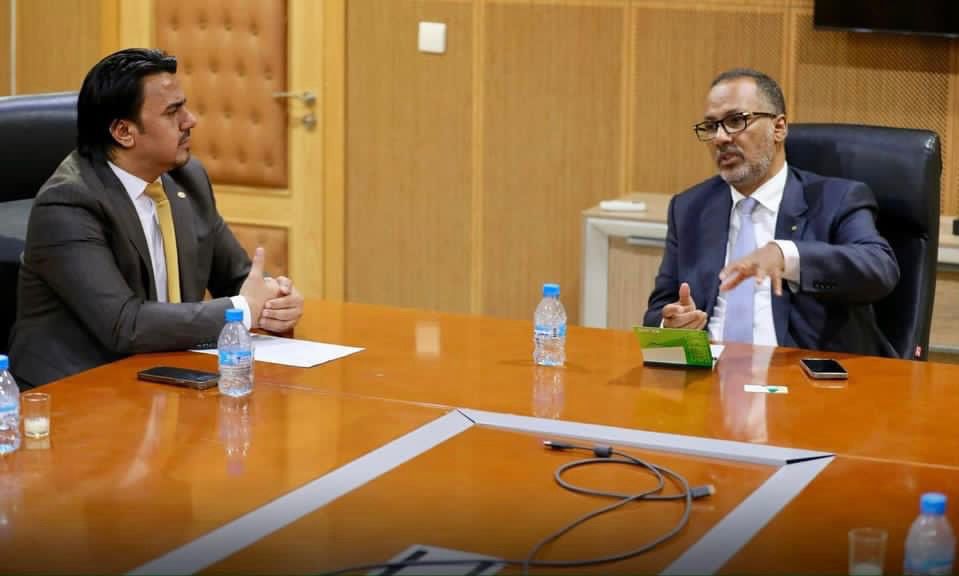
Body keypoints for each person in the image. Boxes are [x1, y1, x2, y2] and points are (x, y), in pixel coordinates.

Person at [10, 48, 304, 388]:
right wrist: (245, 308)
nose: (190, 121)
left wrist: (274, 299)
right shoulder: (68, 203)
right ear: (124, 131)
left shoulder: (187, 179)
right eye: (172, 112)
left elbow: (236, 276)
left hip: (162, 373)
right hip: (76, 388)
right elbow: (125, 324)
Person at [643, 68, 899, 357]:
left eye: (736, 121)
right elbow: (659, 310)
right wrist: (671, 324)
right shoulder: (690, 208)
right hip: (709, 371)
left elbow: (880, 269)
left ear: (779, 128)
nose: (720, 138)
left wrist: (785, 255)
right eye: (711, 126)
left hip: (799, 374)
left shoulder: (835, 199)